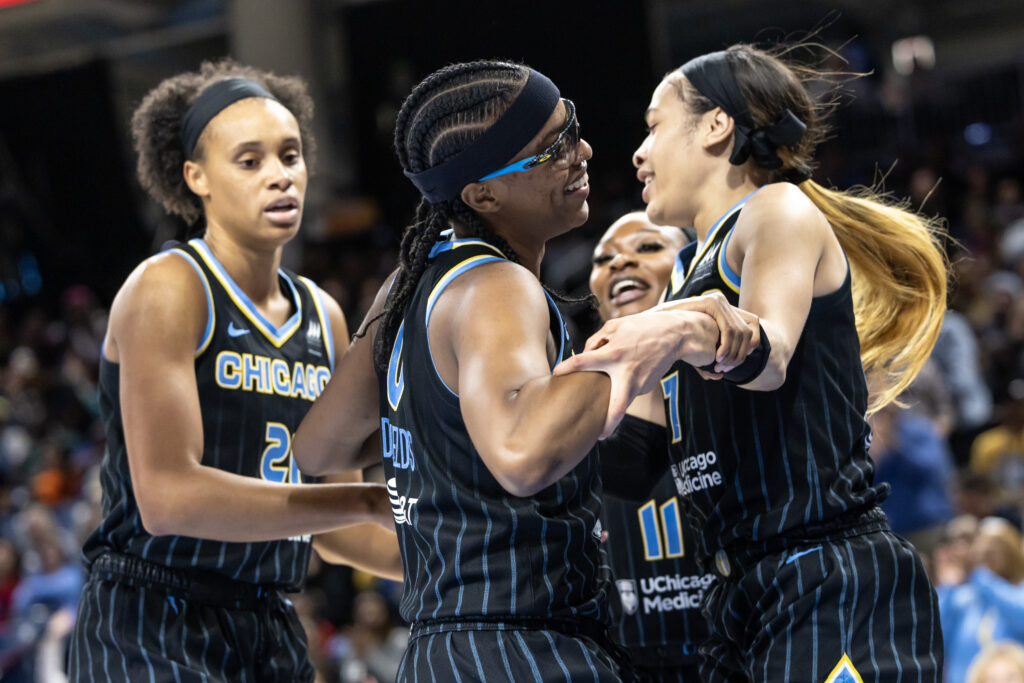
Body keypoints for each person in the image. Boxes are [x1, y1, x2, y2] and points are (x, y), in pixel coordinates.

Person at [293, 59, 751, 681]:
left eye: (574, 129)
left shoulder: (410, 284)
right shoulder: (497, 285)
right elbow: (521, 453)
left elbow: (320, 446)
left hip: (441, 652)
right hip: (522, 647)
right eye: (554, 149)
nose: (583, 151)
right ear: (484, 193)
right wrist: (653, 335)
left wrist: (438, 428)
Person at [557, 43, 948, 681]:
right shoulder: (685, 277)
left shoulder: (776, 209)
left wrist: (682, 328)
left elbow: (768, 354)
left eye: (654, 127)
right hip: (741, 595)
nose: (637, 153)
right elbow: (630, 463)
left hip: (826, 574)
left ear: (716, 126)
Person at [67, 61, 399, 683]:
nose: (280, 176)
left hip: (266, 616)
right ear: (197, 178)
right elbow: (168, 500)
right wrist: (361, 499)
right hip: (152, 612)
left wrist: (463, 556)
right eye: (249, 161)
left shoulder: (320, 315)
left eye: (290, 155)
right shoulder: (168, 287)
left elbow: (339, 532)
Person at [590, 211, 713, 681]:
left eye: (646, 247)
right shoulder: (574, 395)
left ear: (691, 264)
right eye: (604, 259)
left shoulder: (741, 370)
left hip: (741, 643)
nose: (620, 261)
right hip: (628, 662)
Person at [937, 517, 1024, 683]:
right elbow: (936, 638)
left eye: (997, 547)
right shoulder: (964, 596)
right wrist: (948, 588)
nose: (987, 553)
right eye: (983, 550)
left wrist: (980, 575)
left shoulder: (1016, 590)